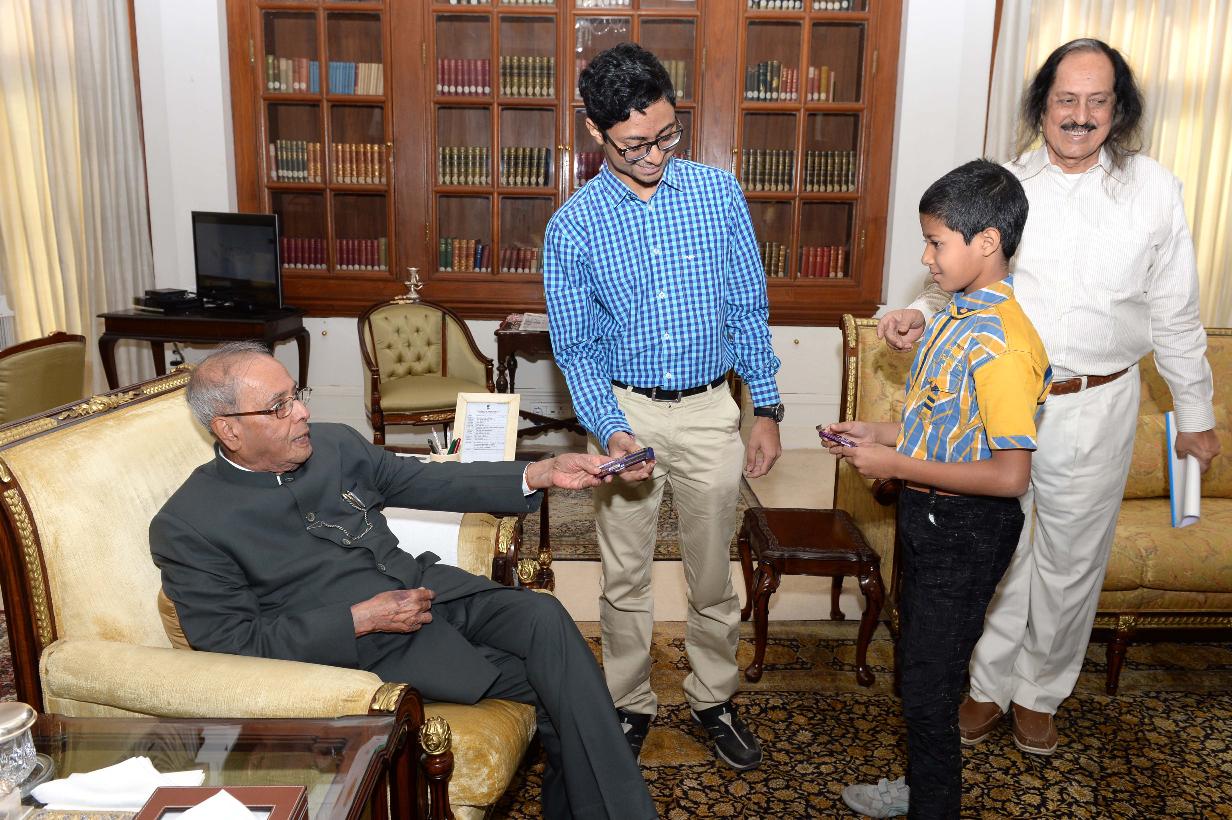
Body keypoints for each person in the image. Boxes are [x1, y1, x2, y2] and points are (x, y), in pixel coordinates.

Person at [878, 38, 1220, 757]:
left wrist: (1195, 417)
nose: (1080, 115)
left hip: (1099, 402)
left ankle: (1039, 692)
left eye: (1098, 101)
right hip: (1000, 402)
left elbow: (1177, 313)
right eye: (1067, 99)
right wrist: (916, 315)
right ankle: (986, 685)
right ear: (1042, 106)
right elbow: (968, 284)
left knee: (1072, 562)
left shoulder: (1154, 189)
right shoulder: (1005, 183)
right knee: (1001, 551)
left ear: (1119, 110)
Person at [149, 342, 658, 820]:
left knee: (543, 614)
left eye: (296, 395)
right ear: (229, 430)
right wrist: (358, 620)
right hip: (378, 646)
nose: (302, 412)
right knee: (565, 686)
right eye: (279, 407)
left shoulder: (334, 444)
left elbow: (426, 479)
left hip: (435, 591)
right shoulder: (189, 524)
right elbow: (229, 642)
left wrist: (540, 472)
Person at [542, 42, 783, 771]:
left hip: (711, 409)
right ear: (595, 131)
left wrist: (766, 408)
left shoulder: (717, 194)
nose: (654, 155)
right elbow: (578, 348)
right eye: (634, 144)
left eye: (667, 135)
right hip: (627, 413)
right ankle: (629, 703)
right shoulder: (573, 227)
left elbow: (748, 307)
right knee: (625, 577)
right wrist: (610, 430)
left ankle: (714, 700)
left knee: (712, 574)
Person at [828, 159, 1051, 819]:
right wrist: (878, 434)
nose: (925, 258)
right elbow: (944, 429)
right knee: (920, 672)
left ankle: (934, 804)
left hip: (967, 531)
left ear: (987, 242)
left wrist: (895, 466)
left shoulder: (1002, 345)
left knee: (930, 694)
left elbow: (1009, 475)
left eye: (936, 242)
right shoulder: (955, 316)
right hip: (930, 519)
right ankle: (921, 786)